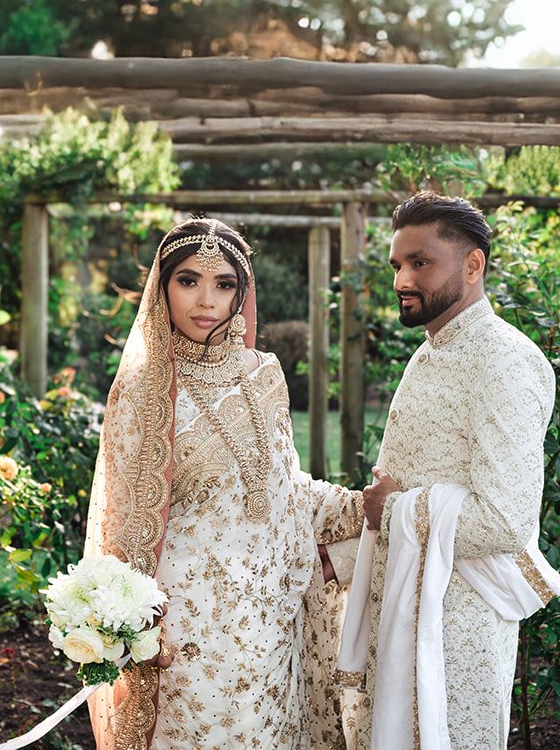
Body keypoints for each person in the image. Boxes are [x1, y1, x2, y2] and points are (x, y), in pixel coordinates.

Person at [84, 218, 365, 750]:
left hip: (272, 616)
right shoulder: (144, 390)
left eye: (224, 284)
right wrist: (133, 629)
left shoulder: (265, 374)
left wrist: (357, 509)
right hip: (189, 626)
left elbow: (282, 484)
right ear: (162, 288)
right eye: (188, 281)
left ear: (242, 291)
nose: (205, 300)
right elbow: (122, 525)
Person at [338, 192, 559, 749]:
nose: (402, 281)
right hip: (404, 608)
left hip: (456, 629)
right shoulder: (430, 350)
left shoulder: (505, 361)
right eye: (397, 266)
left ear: (473, 265)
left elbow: (505, 520)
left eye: (420, 263)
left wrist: (392, 511)